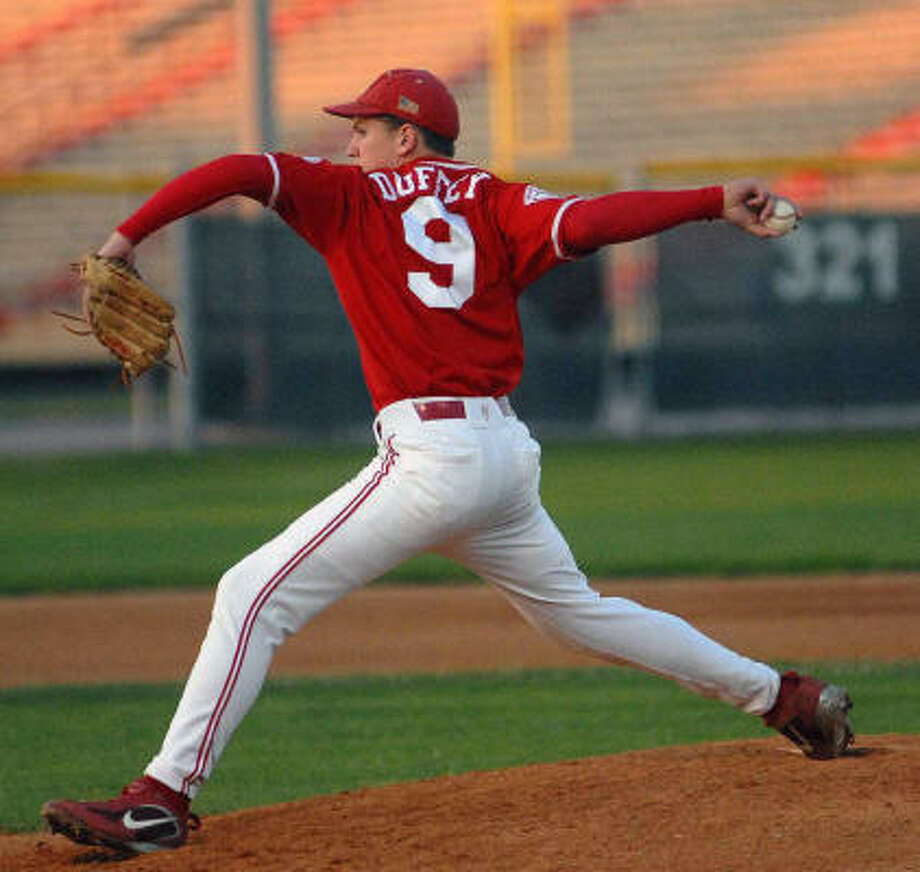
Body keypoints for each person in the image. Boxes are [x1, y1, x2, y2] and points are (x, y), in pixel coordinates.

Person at [42, 68, 852, 855]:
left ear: (406, 136)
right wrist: (711, 200)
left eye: (364, 128)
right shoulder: (497, 200)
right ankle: (783, 698)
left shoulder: (350, 197)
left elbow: (239, 170)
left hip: (433, 457)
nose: (350, 143)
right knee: (579, 614)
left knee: (252, 594)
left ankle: (162, 798)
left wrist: (125, 237)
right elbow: (595, 221)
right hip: (503, 456)